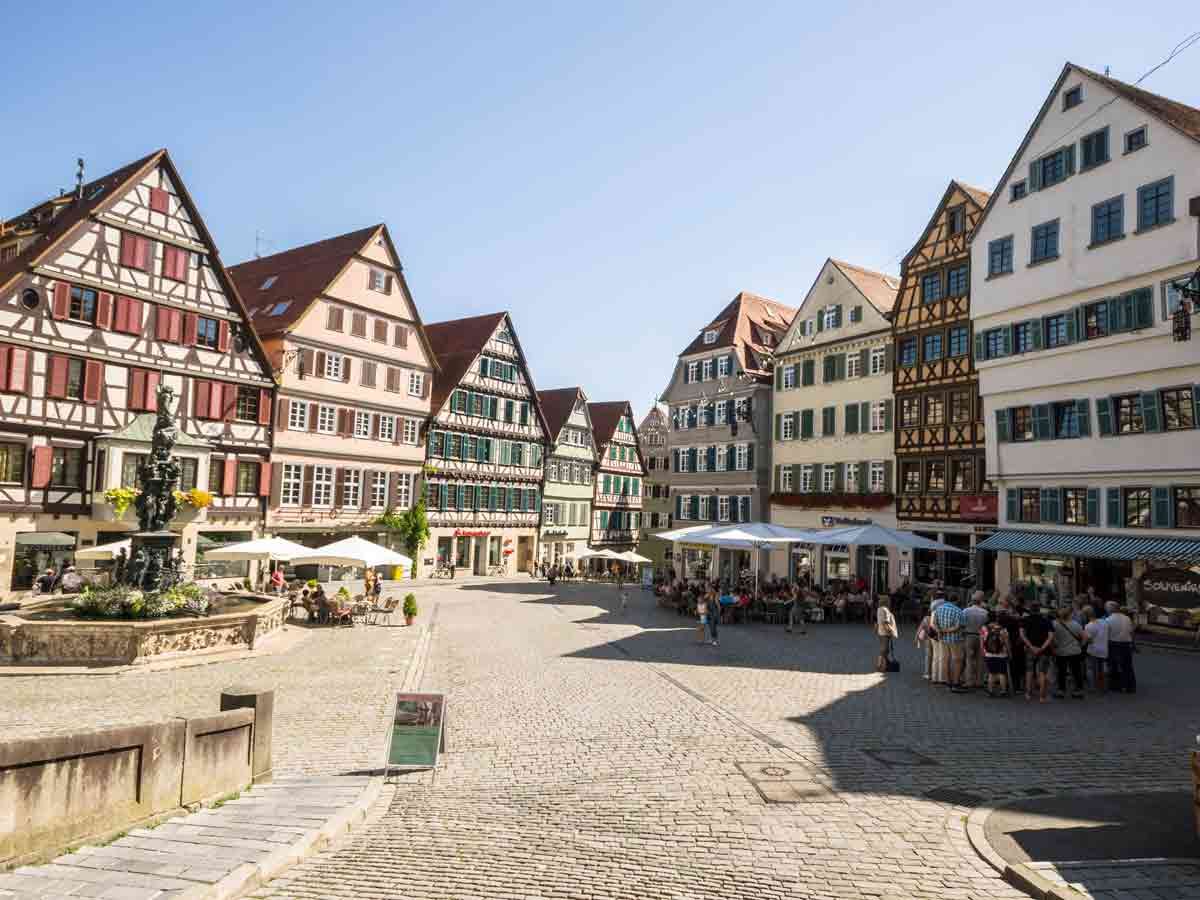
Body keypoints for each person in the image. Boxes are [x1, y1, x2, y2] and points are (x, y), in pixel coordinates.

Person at [932, 592, 966, 692]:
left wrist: (940, 631)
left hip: (943, 639)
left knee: (945, 660)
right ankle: (955, 683)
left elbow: (934, 623)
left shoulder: (938, 609)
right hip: (955, 639)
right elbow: (958, 626)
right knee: (957, 661)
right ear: (957, 600)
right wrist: (946, 630)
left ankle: (948, 682)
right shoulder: (958, 611)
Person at [1020, 606, 1054, 702]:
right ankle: (1042, 697)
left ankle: (1028, 694)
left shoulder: (1025, 620)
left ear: (1030, 611)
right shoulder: (1046, 620)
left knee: (1029, 671)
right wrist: (1042, 647)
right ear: (1039, 611)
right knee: (1042, 672)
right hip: (1044, 651)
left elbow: (1022, 634)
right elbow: (1051, 636)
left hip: (1030, 650)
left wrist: (1031, 646)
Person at [1052, 607, 1086, 699]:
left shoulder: (1055, 624)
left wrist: (1054, 646)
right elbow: (1085, 637)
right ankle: (1078, 690)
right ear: (1069, 615)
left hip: (1061, 651)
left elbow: (1052, 638)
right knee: (1076, 671)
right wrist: (1081, 645)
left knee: (1061, 672)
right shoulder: (1076, 624)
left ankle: (1061, 690)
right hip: (1075, 651)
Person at [1105, 601, 1136, 693]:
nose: (1106, 609)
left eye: (1107, 608)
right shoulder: (1127, 618)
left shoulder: (1108, 620)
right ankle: (1130, 686)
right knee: (1127, 666)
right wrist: (1133, 643)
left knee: (1113, 665)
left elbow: (1106, 634)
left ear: (1110, 609)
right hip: (1126, 644)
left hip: (1113, 644)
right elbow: (1131, 632)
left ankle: (1115, 686)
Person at [962, 591, 990, 689]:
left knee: (969, 659)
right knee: (980, 660)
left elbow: (962, 624)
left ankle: (969, 681)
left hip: (969, 635)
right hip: (981, 636)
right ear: (980, 602)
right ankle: (979, 681)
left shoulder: (966, 611)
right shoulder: (985, 612)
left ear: (972, 601)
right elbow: (986, 625)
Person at [980, 614, 1011, 697]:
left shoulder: (984, 628)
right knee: (1002, 673)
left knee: (991, 673)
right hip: (1001, 654)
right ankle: (1003, 691)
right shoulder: (1003, 629)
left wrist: (983, 652)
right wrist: (1009, 653)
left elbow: (982, 642)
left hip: (989, 654)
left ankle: (990, 691)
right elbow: (1007, 643)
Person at [1082, 607, 1108, 693]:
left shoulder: (1088, 626)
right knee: (1101, 668)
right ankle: (1102, 686)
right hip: (1103, 648)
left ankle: (1094, 687)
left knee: (1093, 669)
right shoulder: (1104, 622)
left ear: (1086, 616)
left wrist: (1082, 643)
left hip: (1093, 650)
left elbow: (1087, 640)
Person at [875, 597, 898, 671]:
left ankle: (883, 665)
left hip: (880, 632)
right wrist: (891, 631)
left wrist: (876, 630)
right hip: (885, 633)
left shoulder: (879, 609)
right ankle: (880, 666)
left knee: (884, 649)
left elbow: (878, 621)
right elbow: (886, 622)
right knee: (884, 650)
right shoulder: (886, 610)